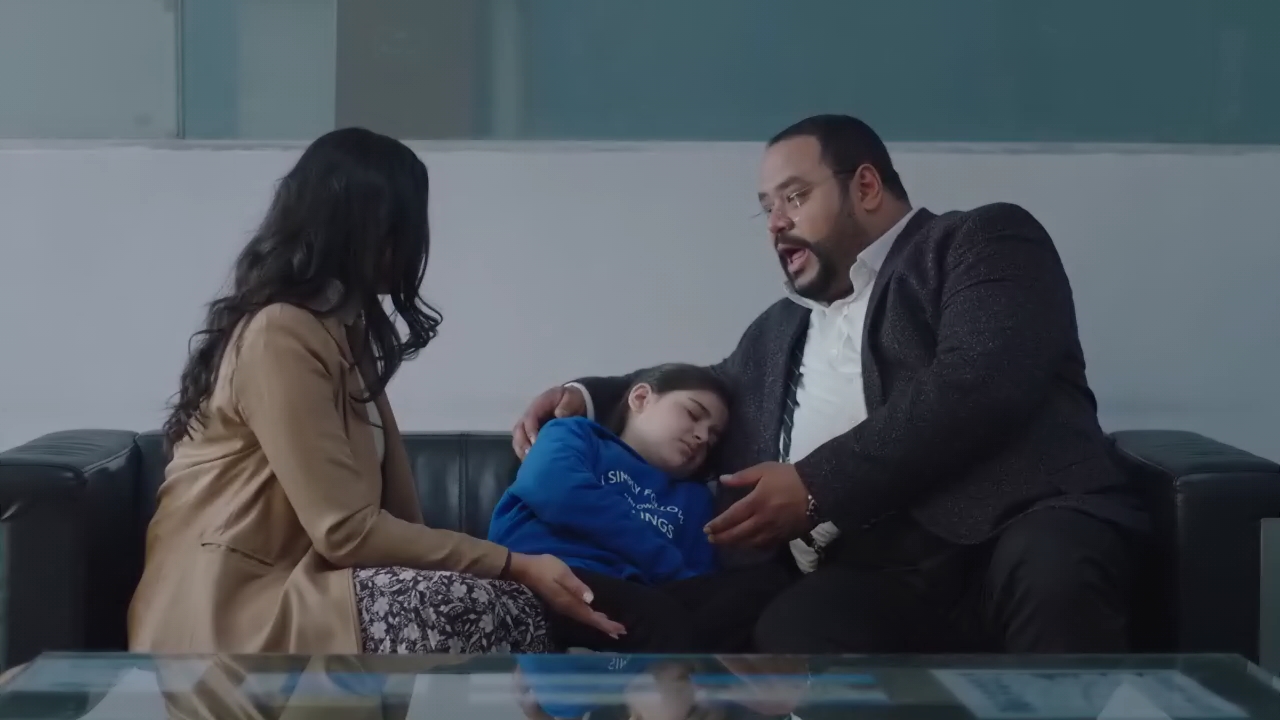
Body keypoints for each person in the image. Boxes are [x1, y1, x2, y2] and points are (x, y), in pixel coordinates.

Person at [513, 114, 1148, 654]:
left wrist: (816, 485)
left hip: (1015, 523)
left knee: (1055, 570)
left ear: (865, 186)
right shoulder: (779, 329)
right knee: (795, 629)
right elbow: (706, 385)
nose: (774, 223)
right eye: (766, 208)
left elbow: (983, 378)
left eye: (793, 197)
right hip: (880, 569)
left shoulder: (979, 241)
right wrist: (586, 396)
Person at [129, 127, 622, 656]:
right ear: (358, 226)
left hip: (310, 591)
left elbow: (398, 523)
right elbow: (344, 531)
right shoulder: (279, 333)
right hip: (229, 610)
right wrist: (513, 564)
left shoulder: (345, 334)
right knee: (487, 609)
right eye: (402, 223)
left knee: (520, 604)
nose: (414, 241)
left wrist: (510, 571)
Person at [491, 364, 790, 653]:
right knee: (661, 616)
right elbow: (554, 489)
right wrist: (659, 559)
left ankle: (616, 662)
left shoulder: (695, 497)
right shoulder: (574, 433)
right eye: (692, 414)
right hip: (555, 573)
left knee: (768, 584)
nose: (701, 437)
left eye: (712, 439)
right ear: (641, 398)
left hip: (643, 596)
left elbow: (696, 579)